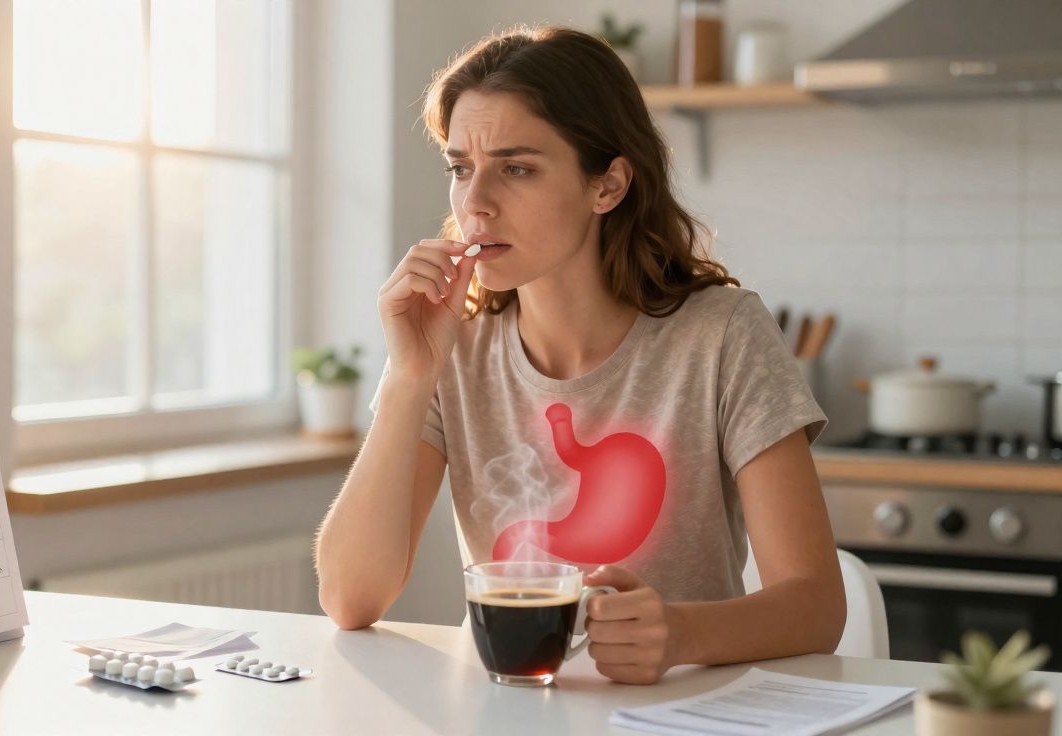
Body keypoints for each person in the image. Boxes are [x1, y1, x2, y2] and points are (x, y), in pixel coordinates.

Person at [314, 25, 845, 685]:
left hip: (678, 715)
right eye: (460, 168)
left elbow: (818, 607)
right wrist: (410, 373)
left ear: (608, 186)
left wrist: (681, 632)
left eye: (516, 168)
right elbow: (348, 598)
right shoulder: (457, 350)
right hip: (507, 713)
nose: (474, 203)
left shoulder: (723, 336)